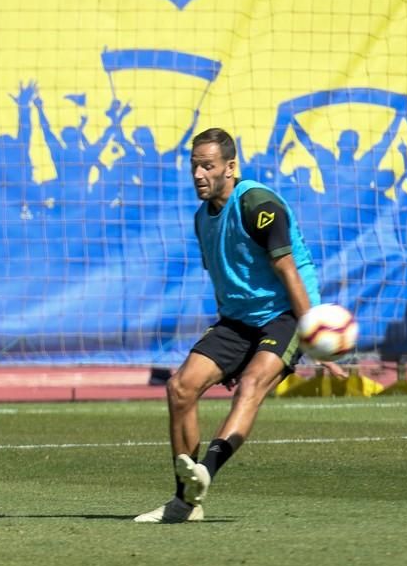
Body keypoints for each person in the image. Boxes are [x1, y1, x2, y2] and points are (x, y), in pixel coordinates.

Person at [135, 127, 345, 524]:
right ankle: (185, 503)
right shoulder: (202, 219)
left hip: (285, 313)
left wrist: (314, 337)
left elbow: (288, 272)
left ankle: (206, 472)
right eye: (194, 166)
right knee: (180, 388)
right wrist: (228, 354)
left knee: (251, 384)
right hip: (237, 320)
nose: (199, 174)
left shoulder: (258, 204)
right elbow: (223, 279)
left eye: (208, 166)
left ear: (230, 167)